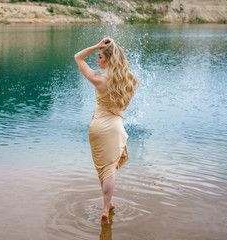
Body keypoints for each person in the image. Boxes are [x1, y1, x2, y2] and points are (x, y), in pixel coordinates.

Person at [74, 37, 139, 224]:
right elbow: (123, 108)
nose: (97, 60)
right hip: (115, 127)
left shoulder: (99, 80)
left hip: (97, 126)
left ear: (109, 59)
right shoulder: (130, 81)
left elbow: (78, 58)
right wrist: (107, 48)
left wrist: (96, 44)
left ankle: (106, 206)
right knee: (109, 170)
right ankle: (106, 206)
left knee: (102, 169)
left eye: (100, 56)